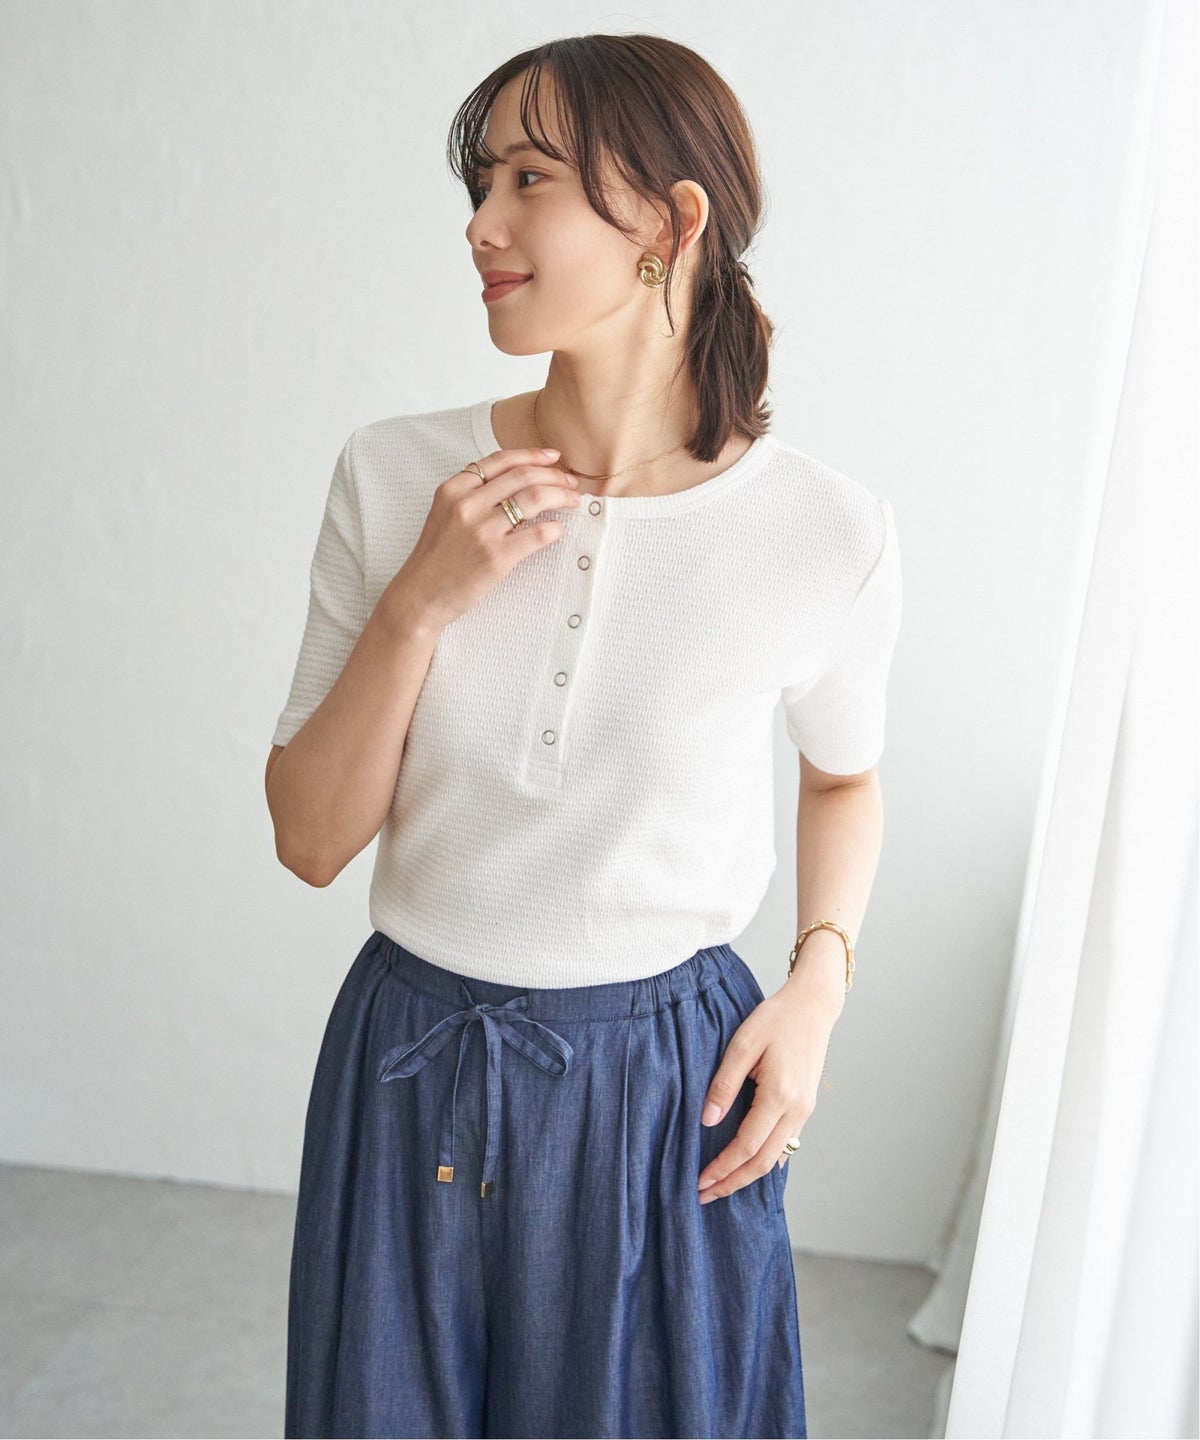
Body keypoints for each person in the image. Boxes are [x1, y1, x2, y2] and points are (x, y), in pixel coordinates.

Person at [265, 32, 902, 1440]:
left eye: (529, 180)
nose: (480, 226)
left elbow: (844, 776)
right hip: (409, 1062)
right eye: (481, 182)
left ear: (671, 222)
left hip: (669, 1089)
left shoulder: (823, 532)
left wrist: (817, 989)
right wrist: (420, 605)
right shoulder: (394, 474)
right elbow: (309, 839)